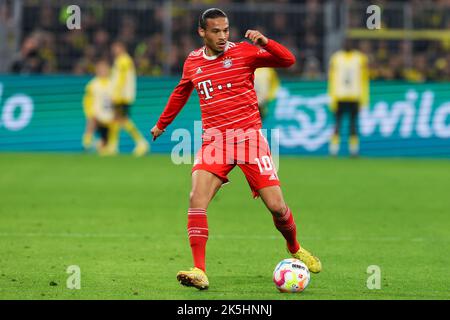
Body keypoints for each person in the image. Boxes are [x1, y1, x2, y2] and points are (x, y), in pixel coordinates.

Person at [150, 8, 321, 290]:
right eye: (215, 31)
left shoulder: (243, 52)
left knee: (277, 207)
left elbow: (288, 60)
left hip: (249, 140)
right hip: (214, 142)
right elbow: (181, 92)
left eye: (225, 30)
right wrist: (162, 124)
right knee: (196, 198)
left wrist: (265, 42)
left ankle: (295, 247)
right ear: (201, 32)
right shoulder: (193, 62)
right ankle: (199, 269)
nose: (222, 36)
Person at [328, 39, 369, 157]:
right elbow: (331, 79)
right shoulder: (336, 58)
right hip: (339, 96)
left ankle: (354, 151)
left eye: (349, 43)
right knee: (337, 124)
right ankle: (334, 151)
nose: (347, 44)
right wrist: (332, 98)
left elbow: (364, 79)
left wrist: (364, 99)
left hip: (354, 96)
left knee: (353, 125)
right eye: (346, 42)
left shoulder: (360, 58)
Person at [108, 41, 149, 156]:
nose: (113, 50)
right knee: (117, 119)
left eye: (115, 47)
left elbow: (121, 79)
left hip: (122, 96)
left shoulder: (123, 60)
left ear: (121, 47)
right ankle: (113, 146)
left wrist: (116, 94)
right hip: (123, 95)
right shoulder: (123, 60)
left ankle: (141, 143)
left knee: (121, 119)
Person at [82, 59, 115, 154]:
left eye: (105, 69)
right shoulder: (93, 84)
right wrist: (89, 113)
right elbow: (87, 100)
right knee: (91, 122)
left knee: (106, 139)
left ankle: (105, 147)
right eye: (101, 69)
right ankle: (87, 144)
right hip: (97, 114)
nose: (103, 71)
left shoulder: (112, 83)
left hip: (110, 116)